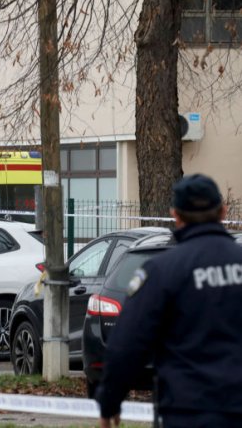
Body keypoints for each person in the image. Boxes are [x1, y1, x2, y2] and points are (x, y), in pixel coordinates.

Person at [96, 174, 242, 428]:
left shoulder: (162, 271)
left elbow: (127, 343)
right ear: (223, 212)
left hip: (188, 411)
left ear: (176, 215)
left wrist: (110, 400)